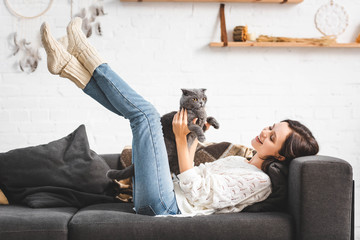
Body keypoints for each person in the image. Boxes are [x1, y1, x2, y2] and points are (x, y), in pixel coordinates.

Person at [40, 17, 319, 217]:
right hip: (162, 192)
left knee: (145, 114)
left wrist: (177, 137)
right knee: (137, 115)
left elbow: (195, 192)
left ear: (280, 156)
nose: (264, 132)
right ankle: (66, 67)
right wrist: (193, 139)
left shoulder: (260, 182)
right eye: (270, 127)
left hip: (164, 205)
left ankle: (84, 53)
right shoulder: (241, 161)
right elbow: (196, 176)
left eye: (272, 137)